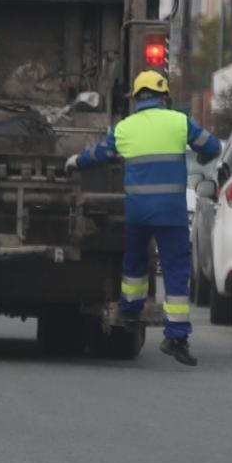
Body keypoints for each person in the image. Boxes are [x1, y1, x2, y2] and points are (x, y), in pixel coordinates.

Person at [66, 70, 222, 366]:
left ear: (137, 98)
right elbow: (213, 146)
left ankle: (128, 311)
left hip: (138, 211)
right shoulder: (179, 122)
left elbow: (99, 155)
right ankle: (176, 337)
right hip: (171, 213)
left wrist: (75, 162)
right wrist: (202, 158)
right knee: (175, 270)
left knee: (134, 262)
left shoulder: (125, 128)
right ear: (164, 97)